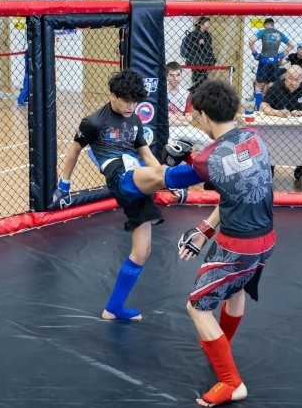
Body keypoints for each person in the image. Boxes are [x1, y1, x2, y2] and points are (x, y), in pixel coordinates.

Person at [51, 69, 204, 320]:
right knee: (164, 172)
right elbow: (74, 151)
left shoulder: (134, 119)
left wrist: (161, 175)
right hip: (120, 177)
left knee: (142, 251)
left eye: (135, 101)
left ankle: (113, 309)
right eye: (126, 101)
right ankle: (206, 167)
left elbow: (146, 154)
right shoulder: (93, 122)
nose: (130, 106)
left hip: (137, 177)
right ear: (112, 95)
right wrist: (64, 184)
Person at [177, 79, 276, 408]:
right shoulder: (254, 137)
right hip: (266, 239)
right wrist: (204, 229)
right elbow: (233, 190)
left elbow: (172, 179)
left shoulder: (208, 159)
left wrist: (179, 159)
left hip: (237, 247)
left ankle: (232, 382)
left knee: (197, 306)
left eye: (198, 117)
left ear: (205, 115)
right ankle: (222, 345)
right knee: (235, 289)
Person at [261, 65, 302, 180]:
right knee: (270, 143)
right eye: (290, 78)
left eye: (297, 79)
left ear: (301, 79)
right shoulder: (276, 88)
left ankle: (301, 165)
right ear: (285, 76)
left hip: (301, 132)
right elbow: (263, 106)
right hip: (278, 131)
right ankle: (271, 165)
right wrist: (278, 113)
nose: (293, 83)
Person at [248, 18, 293, 111]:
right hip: (275, 61)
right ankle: (269, 107)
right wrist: (282, 55)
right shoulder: (279, 33)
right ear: (273, 24)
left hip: (264, 60)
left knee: (258, 85)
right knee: (271, 84)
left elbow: (251, 41)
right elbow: (291, 45)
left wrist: (255, 53)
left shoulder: (263, 31)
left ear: (265, 25)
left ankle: (258, 108)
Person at [166, 61, 212, 151]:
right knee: (172, 147)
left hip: (184, 128)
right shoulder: (162, 93)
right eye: (172, 75)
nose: (175, 78)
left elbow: (189, 119)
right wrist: (183, 121)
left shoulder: (186, 94)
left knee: (208, 141)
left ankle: (192, 155)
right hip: (168, 129)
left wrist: (172, 118)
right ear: (166, 76)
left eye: (178, 75)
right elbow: (165, 121)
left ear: (181, 76)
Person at [181, 16, 217, 93]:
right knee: (199, 80)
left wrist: (212, 60)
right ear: (201, 24)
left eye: (209, 23)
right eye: (207, 23)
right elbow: (188, 46)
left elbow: (209, 48)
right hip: (195, 61)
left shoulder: (208, 35)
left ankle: (193, 92)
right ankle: (192, 92)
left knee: (203, 80)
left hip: (205, 61)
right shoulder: (193, 35)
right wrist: (197, 43)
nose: (209, 25)